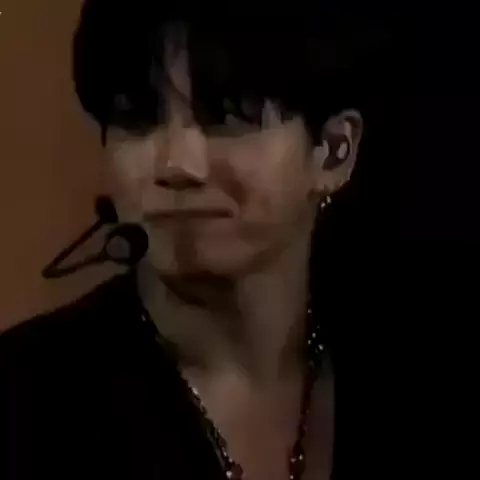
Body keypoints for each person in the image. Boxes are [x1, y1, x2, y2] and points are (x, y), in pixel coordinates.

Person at [0, 3, 392, 480]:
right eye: (137, 119)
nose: (177, 165)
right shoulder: (23, 400)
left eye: (225, 116)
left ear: (333, 152)